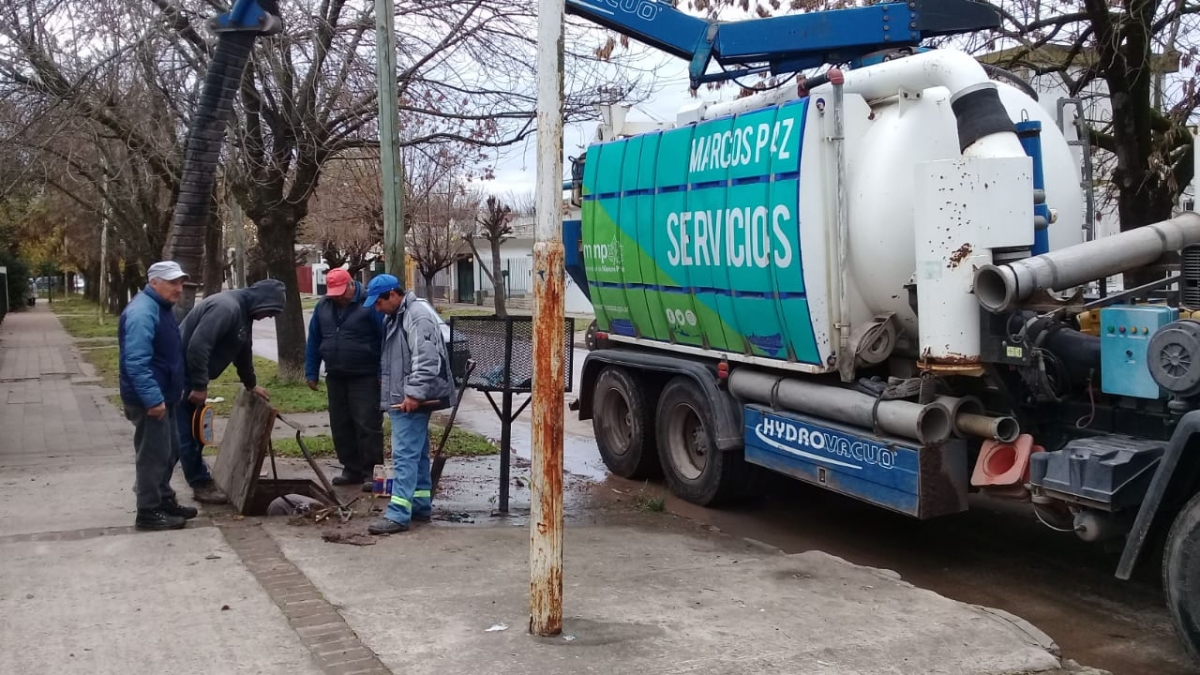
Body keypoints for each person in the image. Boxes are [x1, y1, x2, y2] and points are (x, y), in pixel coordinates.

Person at [176, 279, 287, 504]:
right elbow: (198, 346)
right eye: (271, 311)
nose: (270, 317)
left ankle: (187, 481)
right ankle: (197, 484)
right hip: (179, 377)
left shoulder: (243, 313)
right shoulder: (226, 308)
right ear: (262, 301)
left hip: (190, 376)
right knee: (185, 434)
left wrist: (251, 384)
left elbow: (243, 350)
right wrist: (199, 385)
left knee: (195, 432)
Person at [364, 274, 456, 535]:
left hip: (410, 398)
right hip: (406, 395)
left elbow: (426, 360)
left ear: (393, 295)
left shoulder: (415, 315)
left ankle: (398, 514)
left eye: (379, 303)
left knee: (404, 455)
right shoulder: (400, 315)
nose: (377, 308)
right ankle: (419, 505)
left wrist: (413, 395)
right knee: (416, 454)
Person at [118, 261, 197, 531]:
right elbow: (136, 361)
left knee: (170, 449)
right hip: (150, 400)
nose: (179, 288)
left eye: (180, 282)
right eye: (173, 282)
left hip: (165, 395)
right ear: (154, 283)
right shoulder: (142, 312)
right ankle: (148, 511)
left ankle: (163, 499)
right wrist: (152, 399)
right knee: (153, 455)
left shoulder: (160, 308)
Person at [304, 268, 384, 490]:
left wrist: (381, 372)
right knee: (341, 424)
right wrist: (311, 371)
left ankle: (371, 471)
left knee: (367, 423)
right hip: (336, 375)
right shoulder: (323, 306)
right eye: (333, 292)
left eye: (341, 291)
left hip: (365, 375)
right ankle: (351, 469)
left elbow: (384, 338)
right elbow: (314, 340)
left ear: (351, 284)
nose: (338, 296)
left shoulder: (370, 304)